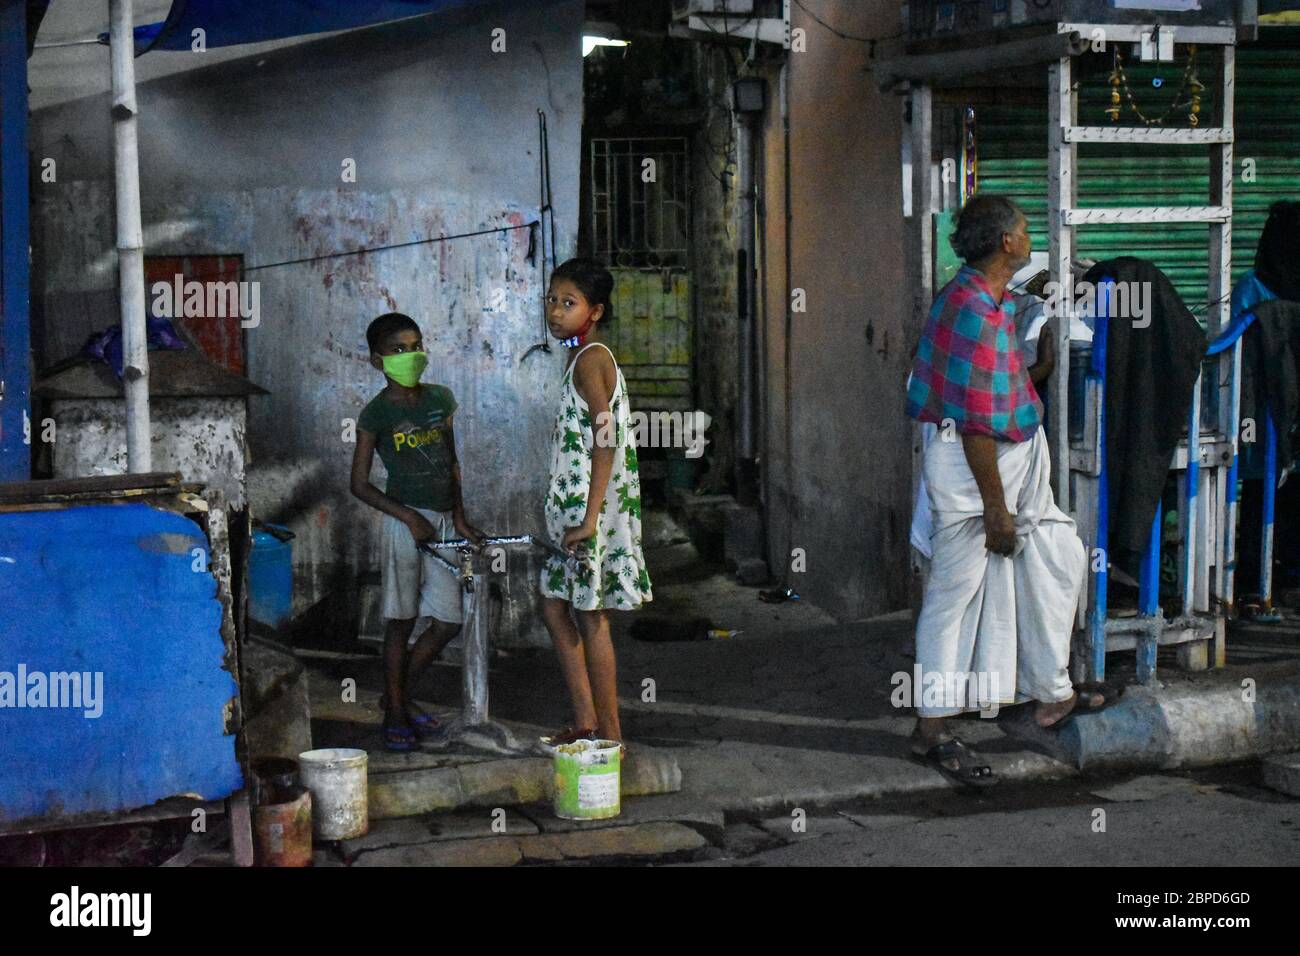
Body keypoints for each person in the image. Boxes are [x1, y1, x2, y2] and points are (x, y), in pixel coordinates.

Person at [904, 194, 1104, 788]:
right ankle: (932, 730)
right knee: (951, 602)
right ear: (1007, 244)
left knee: (1053, 564)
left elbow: (992, 387)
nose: (1028, 235)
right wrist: (996, 508)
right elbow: (974, 423)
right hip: (977, 486)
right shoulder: (974, 311)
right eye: (1022, 229)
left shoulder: (974, 297)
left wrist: (1037, 369)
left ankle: (1048, 693)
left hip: (990, 478)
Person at [350, 311, 484, 752]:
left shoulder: (440, 400)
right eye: (398, 350)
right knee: (401, 620)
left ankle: (397, 696)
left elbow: (452, 461)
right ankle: (396, 711)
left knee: (447, 619)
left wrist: (460, 517)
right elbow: (359, 484)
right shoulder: (375, 414)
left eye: (416, 345)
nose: (411, 355)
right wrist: (409, 517)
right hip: (403, 524)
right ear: (377, 361)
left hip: (444, 522)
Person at [539, 258, 653, 748]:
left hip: (592, 513)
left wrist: (589, 518)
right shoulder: (581, 356)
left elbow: (605, 439)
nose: (556, 311)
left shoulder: (590, 360)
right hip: (580, 510)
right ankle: (588, 721)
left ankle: (609, 735)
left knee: (590, 614)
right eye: (552, 300)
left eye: (569, 303)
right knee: (555, 606)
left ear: (596, 310)